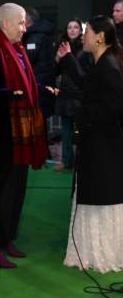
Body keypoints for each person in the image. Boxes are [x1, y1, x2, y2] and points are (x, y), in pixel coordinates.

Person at [0, 3, 47, 268]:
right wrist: (10, 95)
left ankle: (6, 239)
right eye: (20, 22)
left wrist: (41, 88)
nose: (24, 27)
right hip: (5, 135)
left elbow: (25, 85)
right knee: (5, 191)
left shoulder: (17, 50)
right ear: (5, 23)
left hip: (23, 133)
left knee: (17, 190)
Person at [57, 16, 123, 272]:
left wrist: (82, 114)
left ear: (100, 37)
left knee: (101, 199)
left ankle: (102, 252)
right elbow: (89, 88)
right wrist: (68, 60)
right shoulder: (103, 63)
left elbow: (112, 108)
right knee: (97, 197)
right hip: (99, 145)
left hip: (104, 147)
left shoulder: (109, 67)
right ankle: (95, 251)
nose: (82, 35)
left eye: (87, 31)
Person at [52, 18, 92, 172]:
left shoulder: (86, 47)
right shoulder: (61, 46)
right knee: (66, 130)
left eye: (76, 27)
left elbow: (85, 72)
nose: (73, 30)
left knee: (82, 130)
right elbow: (55, 71)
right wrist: (56, 60)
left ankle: (84, 161)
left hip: (80, 93)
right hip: (65, 93)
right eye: (70, 27)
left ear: (80, 30)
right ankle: (66, 161)